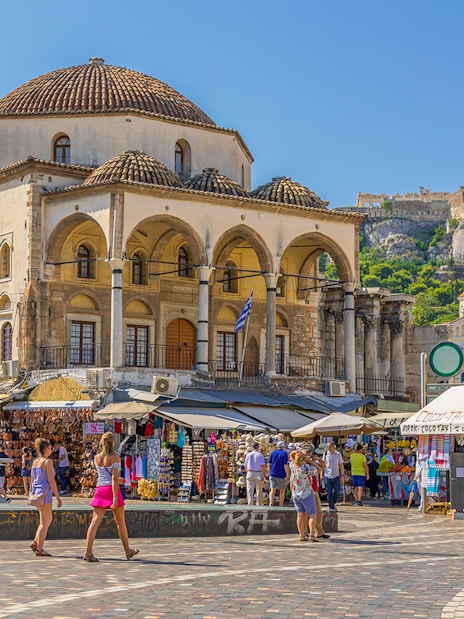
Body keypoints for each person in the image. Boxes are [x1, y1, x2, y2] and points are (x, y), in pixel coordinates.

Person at [84, 431, 140, 562]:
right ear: (113, 442)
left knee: (94, 522)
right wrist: (115, 496)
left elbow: (104, 474)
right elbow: (114, 478)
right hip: (111, 490)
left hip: (100, 489)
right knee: (120, 522)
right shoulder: (115, 458)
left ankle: (88, 552)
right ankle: (127, 551)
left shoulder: (97, 457)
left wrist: (116, 480)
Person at [30, 437, 62, 556]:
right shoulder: (47, 462)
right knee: (45, 522)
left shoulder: (35, 462)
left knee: (45, 520)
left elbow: (33, 479)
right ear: (46, 449)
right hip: (45, 494)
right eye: (50, 448)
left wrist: (31, 492)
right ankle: (40, 548)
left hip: (37, 494)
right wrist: (58, 496)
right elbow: (51, 481)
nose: (51, 450)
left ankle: (36, 542)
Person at [289, 450, 318, 541]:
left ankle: (302, 535)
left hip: (296, 493)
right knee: (312, 515)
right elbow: (319, 469)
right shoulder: (306, 467)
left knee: (300, 515)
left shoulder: (292, 466)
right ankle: (312, 535)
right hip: (306, 493)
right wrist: (310, 461)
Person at [305, 446, 330, 539]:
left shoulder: (314, 462)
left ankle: (319, 531)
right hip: (306, 489)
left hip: (314, 489)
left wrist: (318, 459)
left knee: (318, 511)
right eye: (306, 454)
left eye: (309, 454)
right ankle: (305, 532)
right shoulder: (302, 464)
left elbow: (323, 467)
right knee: (305, 513)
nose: (308, 456)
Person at [322, 441, 345, 512]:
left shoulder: (338, 454)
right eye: (328, 447)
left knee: (337, 491)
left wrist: (342, 475)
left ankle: (333, 503)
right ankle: (331, 507)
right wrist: (321, 474)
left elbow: (341, 465)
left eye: (330, 446)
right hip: (327, 475)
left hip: (336, 475)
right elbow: (323, 465)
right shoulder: (325, 454)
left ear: (334, 447)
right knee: (328, 492)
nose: (329, 448)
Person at [244, 441, 266, 506]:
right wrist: (263, 474)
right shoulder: (260, 455)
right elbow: (262, 465)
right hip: (258, 473)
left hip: (250, 472)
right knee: (259, 490)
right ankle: (258, 504)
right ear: (258, 447)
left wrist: (247, 472)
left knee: (250, 490)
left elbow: (245, 465)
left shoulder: (248, 454)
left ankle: (250, 504)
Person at [268, 441, 289, 506]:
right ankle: (281, 504)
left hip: (272, 474)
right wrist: (287, 474)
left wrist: (269, 472)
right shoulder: (284, 454)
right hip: (281, 475)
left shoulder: (273, 453)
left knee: (272, 489)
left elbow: (269, 464)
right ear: (283, 447)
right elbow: (285, 465)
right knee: (282, 490)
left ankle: (271, 502)